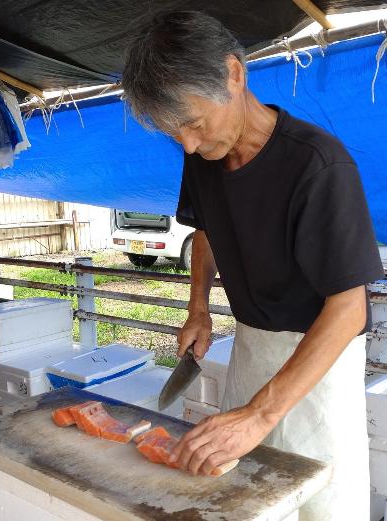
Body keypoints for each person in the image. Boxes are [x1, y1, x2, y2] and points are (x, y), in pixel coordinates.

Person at [122, 10, 383, 520]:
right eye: (176, 135)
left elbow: (349, 308)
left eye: (195, 125)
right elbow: (206, 231)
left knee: (319, 502)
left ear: (234, 74)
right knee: (243, 500)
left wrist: (261, 413)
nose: (191, 145)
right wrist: (199, 307)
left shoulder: (318, 165)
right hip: (250, 344)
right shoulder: (202, 158)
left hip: (318, 363)